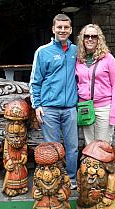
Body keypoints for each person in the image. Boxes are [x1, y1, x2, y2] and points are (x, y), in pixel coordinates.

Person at [29, 14, 78, 189]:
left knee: (72, 147)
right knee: (52, 148)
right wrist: (37, 106)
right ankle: (56, 179)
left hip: (71, 108)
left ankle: (72, 180)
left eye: (66, 27)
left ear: (71, 30)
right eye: (59, 27)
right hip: (49, 109)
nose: (63, 30)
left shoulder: (76, 51)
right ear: (53, 29)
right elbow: (35, 81)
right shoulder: (43, 52)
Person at [76, 24, 115, 145]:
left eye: (94, 36)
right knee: (89, 145)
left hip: (104, 108)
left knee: (103, 146)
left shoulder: (108, 59)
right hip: (85, 106)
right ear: (82, 39)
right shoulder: (78, 59)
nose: (90, 39)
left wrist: (114, 113)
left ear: (98, 39)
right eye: (87, 36)